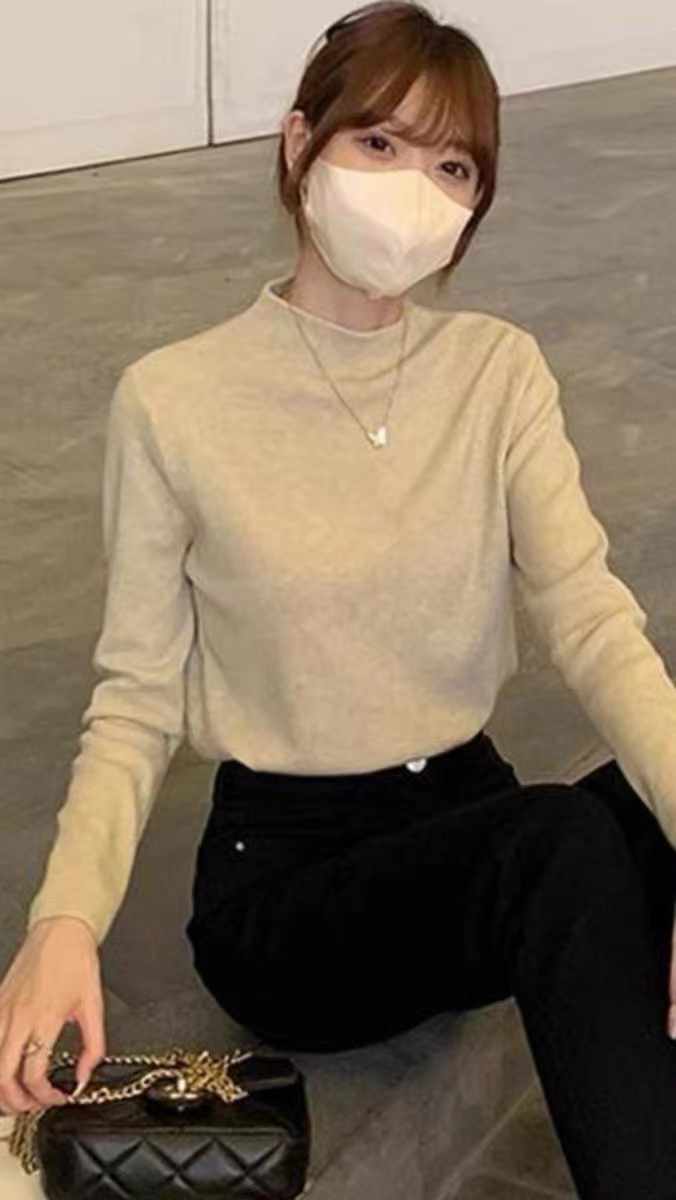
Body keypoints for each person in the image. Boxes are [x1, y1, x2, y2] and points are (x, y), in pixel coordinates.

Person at [2, 2, 676, 1194]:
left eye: (453, 166)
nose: (415, 187)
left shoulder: (496, 372)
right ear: (297, 143)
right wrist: (64, 923)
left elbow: (588, 615)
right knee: (565, 845)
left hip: (463, 818)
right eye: (379, 142)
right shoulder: (174, 401)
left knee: (650, 789)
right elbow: (137, 697)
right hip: (290, 882)